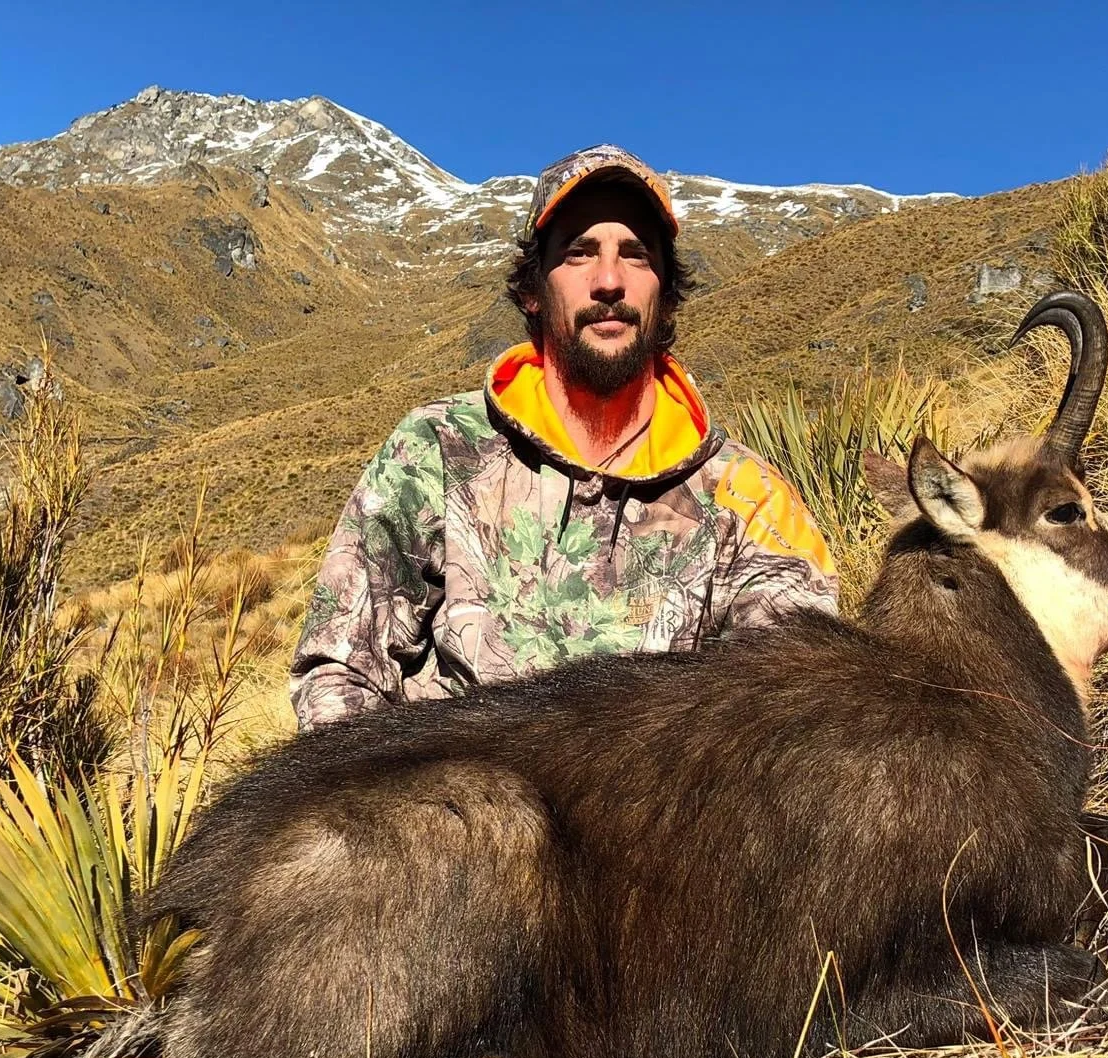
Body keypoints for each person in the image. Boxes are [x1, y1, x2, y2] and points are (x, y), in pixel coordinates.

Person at [289, 144, 840, 729]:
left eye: (636, 255)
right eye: (579, 253)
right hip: (451, 808)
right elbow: (338, 669)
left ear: (667, 296)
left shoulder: (746, 497)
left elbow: (792, 712)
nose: (609, 281)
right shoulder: (438, 450)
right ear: (533, 290)